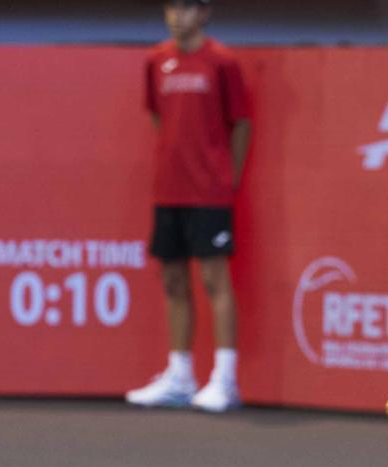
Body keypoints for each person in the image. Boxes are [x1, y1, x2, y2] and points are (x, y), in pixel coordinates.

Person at [126, 0, 251, 413]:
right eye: (172, 9)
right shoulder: (155, 60)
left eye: (187, 8)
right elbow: (160, 119)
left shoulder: (223, 62)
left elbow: (242, 123)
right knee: (173, 281)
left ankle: (225, 380)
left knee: (215, 279)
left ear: (205, 13)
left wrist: (225, 178)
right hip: (169, 190)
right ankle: (180, 376)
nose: (178, 16)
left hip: (209, 191)